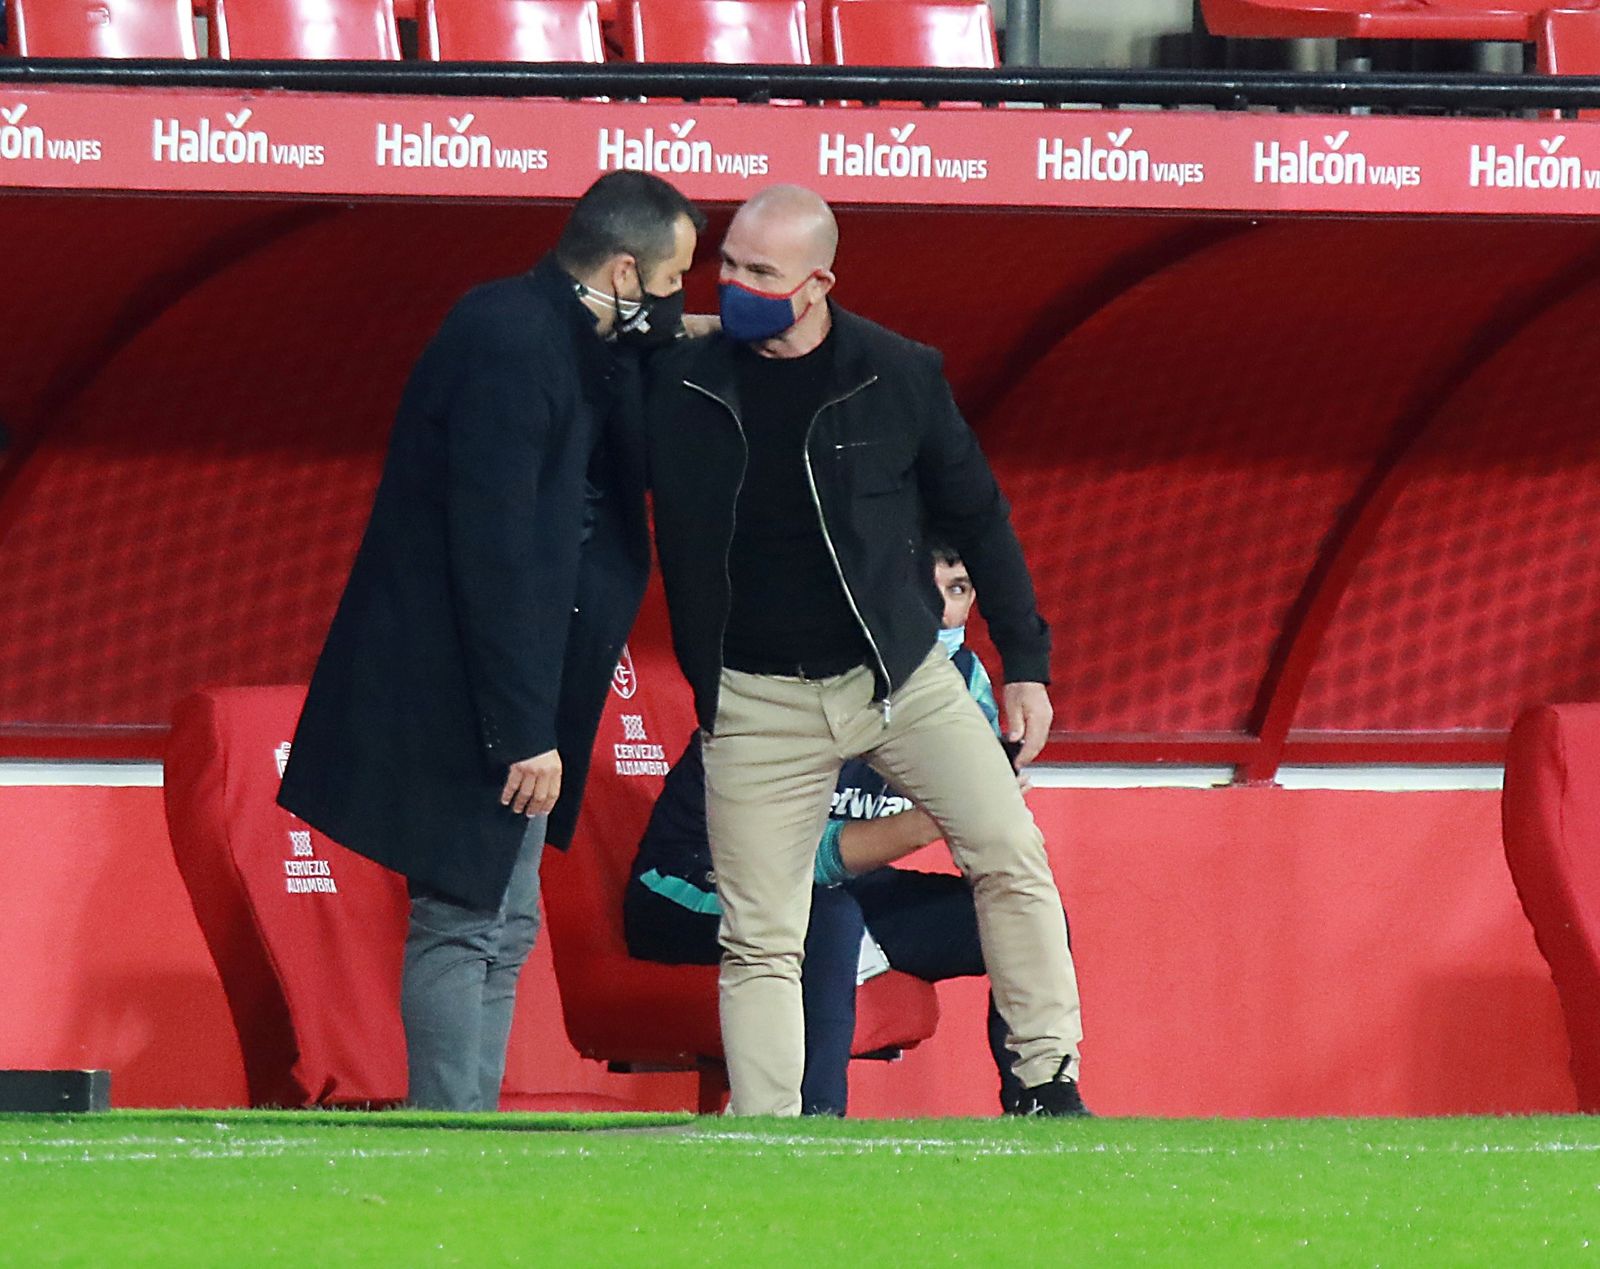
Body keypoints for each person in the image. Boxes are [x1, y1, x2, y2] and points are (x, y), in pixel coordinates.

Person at [645, 184, 1087, 1117]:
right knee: (762, 934)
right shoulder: (682, 378)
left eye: (760, 273)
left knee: (1010, 855)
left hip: (900, 678)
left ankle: (1047, 1080)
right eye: (726, 266)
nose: (733, 287)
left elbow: (980, 517)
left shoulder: (897, 372)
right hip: (756, 698)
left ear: (818, 284)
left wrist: (1028, 662)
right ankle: (769, 1129)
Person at [278, 172, 704, 1111]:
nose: (677, 299)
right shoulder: (510, 343)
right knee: (464, 916)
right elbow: (496, 549)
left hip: (517, 684)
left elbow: (649, 356)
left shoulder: (571, 332)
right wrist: (524, 729)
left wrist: (708, 329)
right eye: (673, 280)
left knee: (505, 924)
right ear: (625, 269)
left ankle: (471, 1132)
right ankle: (448, 1131)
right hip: (466, 690)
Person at [625, 547, 1077, 1115]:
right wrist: (943, 815)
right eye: (923, 587)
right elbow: (796, 864)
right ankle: (813, 1129)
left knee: (1019, 913)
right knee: (821, 913)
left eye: (959, 591)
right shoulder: (805, 673)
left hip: (843, 890)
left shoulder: (960, 685)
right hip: (690, 883)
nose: (938, 612)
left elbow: (987, 853)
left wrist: (985, 821)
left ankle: (1040, 1102)